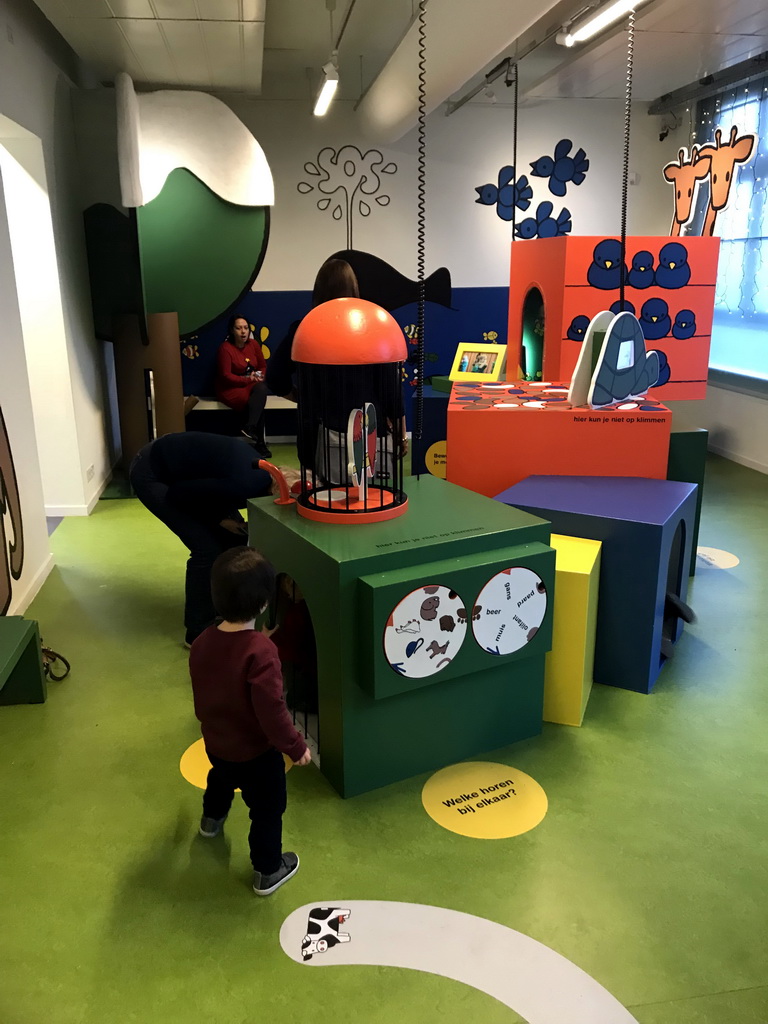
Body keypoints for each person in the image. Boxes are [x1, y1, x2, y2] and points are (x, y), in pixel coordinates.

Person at [189, 546, 311, 896]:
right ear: (263, 604)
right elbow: (271, 712)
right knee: (267, 811)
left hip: (217, 741)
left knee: (220, 779)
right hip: (257, 755)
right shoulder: (261, 654)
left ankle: (211, 821)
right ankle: (267, 870)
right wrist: (295, 746)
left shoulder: (201, 642)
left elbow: (223, 671)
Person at [129, 432, 272, 647]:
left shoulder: (262, 476)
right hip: (153, 472)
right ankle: (197, 632)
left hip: (192, 473)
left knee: (234, 542)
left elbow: (213, 489)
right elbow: (179, 494)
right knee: (206, 547)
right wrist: (219, 519)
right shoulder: (245, 484)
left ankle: (222, 609)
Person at [215, 315, 271, 458]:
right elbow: (226, 376)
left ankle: (250, 427)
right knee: (257, 401)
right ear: (232, 331)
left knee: (260, 392)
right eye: (239, 328)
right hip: (230, 388)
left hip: (250, 385)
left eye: (246, 328)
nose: (243, 332)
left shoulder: (253, 344)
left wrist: (258, 376)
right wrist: (248, 380)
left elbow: (262, 366)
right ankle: (260, 445)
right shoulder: (225, 348)